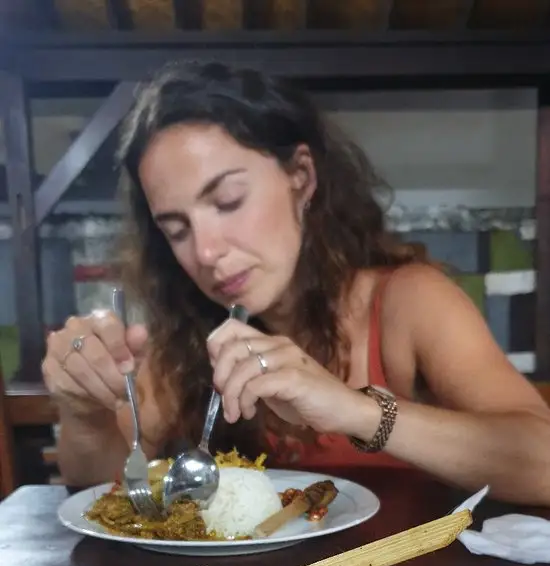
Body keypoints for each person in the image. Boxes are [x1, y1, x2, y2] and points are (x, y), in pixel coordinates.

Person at [42, 60, 550, 504]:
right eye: (176, 230)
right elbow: (105, 486)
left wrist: (355, 411)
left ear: (301, 177)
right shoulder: (186, 332)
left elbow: (542, 461)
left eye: (228, 202)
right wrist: (84, 412)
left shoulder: (408, 300)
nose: (206, 252)